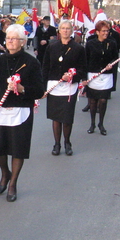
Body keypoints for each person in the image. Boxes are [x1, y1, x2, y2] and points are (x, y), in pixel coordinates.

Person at [0, 24, 44, 202]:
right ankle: (5, 173)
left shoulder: (32, 63)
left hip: (21, 111)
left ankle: (13, 184)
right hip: (0, 112)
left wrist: (22, 88)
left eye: (14, 39)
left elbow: (39, 91)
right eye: (8, 38)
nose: (9, 41)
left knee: (18, 150)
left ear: (22, 42)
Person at [41, 20, 86, 156]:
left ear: (72, 30)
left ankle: (67, 142)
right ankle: (57, 144)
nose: (65, 31)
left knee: (66, 117)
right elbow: (45, 67)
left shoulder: (78, 48)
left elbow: (83, 69)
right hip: (54, 86)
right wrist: (43, 88)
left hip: (69, 88)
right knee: (56, 118)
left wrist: (73, 75)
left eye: (68, 28)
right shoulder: (52, 47)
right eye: (63, 28)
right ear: (59, 31)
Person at [84, 20, 119, 136]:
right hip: (93, 75)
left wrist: (111, 65)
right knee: (93, 101)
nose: (106, 33)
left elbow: (115, 58)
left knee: (103, 100)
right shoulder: (90, 43)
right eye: (103, 31)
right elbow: (85, 60)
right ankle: (92, 123)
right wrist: (84, 78)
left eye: (107, 31)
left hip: (106, 76)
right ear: (97, 32)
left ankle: (101, 123)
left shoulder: (112, 43)